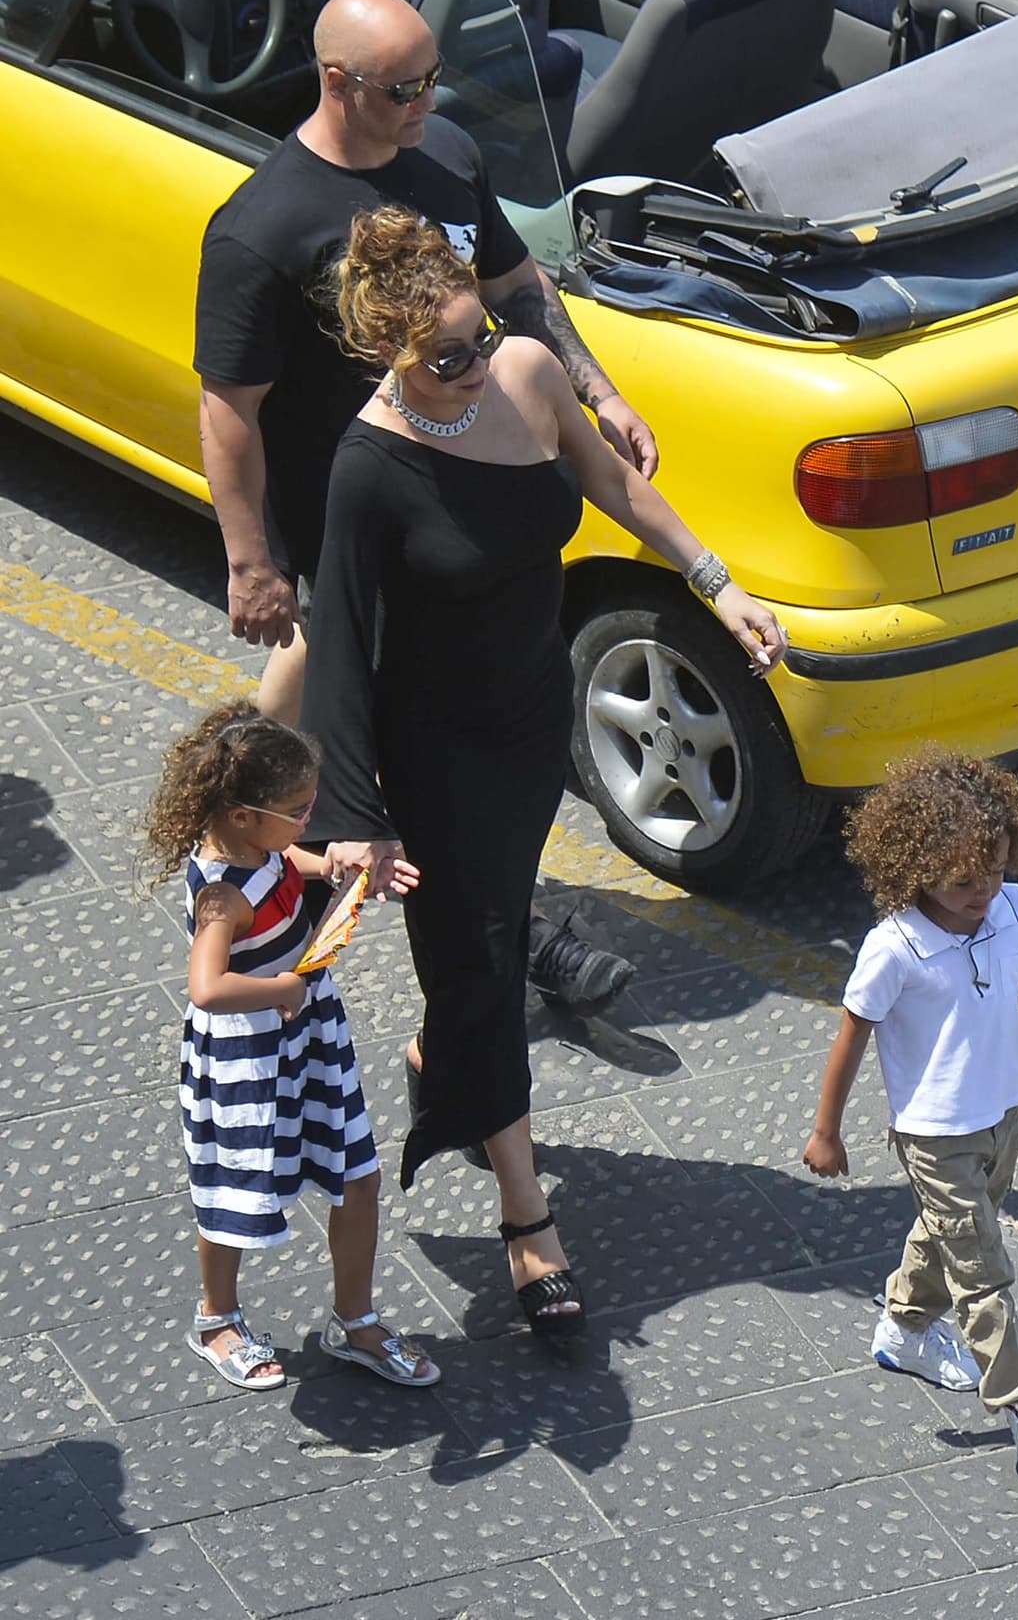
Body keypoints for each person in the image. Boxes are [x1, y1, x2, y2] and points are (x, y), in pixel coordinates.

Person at [299, 206, 786, 1340]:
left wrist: (718, 583)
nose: (473, 361)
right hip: (434, 750)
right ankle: (528, 1219)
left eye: (477, 334)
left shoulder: (523, 372)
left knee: (488, 955)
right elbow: (341, 653)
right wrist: (357, 822)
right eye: (446, 354)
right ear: (386, 349)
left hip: (529, 725)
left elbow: (614, 487)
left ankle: (443, 1056)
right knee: (479, 963)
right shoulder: (368, 470)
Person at [194, 0, 647, 1012]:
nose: (425, 104)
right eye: (402, 89)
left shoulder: (444, 158)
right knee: (410, 720)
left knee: (345, 699)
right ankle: (501, 930)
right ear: (336, 83)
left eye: (434, 79)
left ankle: (247, 829)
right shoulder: (264, 226)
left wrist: (598, 390)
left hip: (461, 492)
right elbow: (230, 408)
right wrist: (252, 560)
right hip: (355, 513)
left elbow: (516, 285)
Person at [802, 749, 1018, 1483]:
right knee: (982, 1272)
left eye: (995, 869)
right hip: (933, 1134)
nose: (984, 890)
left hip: (1004, 1113)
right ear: (913, 865)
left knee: (954, 1233)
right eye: (963, 880)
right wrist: (826, 1130)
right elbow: (850, 1035)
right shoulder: (894, 948)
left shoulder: (1015, 910)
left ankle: (903, 1327)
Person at [141, 700, 438, 1391]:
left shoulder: (262, 849)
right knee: (233, 1191)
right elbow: (207, 987)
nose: (310, 818)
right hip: (249, 1055)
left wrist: (328, 863)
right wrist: (277, 987)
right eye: (299, 810)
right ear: (245, 816)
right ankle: (216, 1318)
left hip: (309, 1032)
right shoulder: (223, 892)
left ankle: (355, 1321)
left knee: (356, 1173)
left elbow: (285, 864)